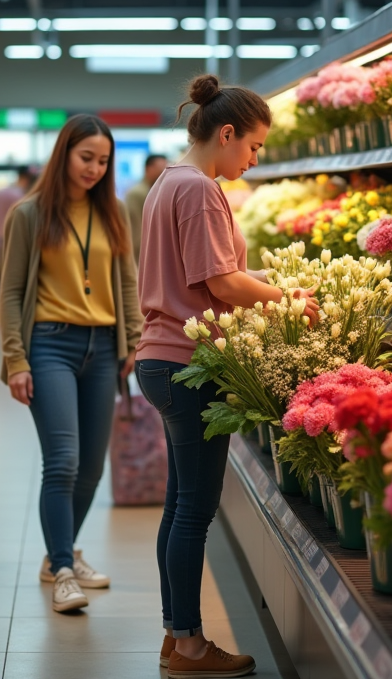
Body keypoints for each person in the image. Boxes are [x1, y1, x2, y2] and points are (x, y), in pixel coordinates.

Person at [134, 75, 319, 679]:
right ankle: (189, 649)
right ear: (228, 132)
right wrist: (285, 298)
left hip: (161, 359)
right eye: (255, 146)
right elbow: (221, 284)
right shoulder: (200, 190)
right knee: (195, 510)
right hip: (188, 367)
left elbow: (210, 272)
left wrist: (274, 280)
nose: (255, 158)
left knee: (179, 506)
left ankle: (175, 632)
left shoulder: (169, 183)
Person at [0, 114, 140, 614]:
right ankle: (62, 568)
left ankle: (60, 553)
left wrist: (133, 343)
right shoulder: (30, 214)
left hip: (103, 348)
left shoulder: (114, 212)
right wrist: (16, 359)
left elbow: (126, 282)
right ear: (64, 155)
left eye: (103, 161)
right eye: (86, 158)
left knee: (92, 469)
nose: (95, 169)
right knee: (62, 461)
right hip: (49, 346)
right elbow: (13, 292)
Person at [0, 167, 35, 324]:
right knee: (14, 280)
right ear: (26, 179)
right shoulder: (21, 196)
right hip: (13, 242)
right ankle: (10, 317)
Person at [124, 153, 168, 259]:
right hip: (141, 255)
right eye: (160, 170)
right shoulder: (137, 193)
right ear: (148, 169)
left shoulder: (155, 191)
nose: (163, 174)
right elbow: (136, 228)